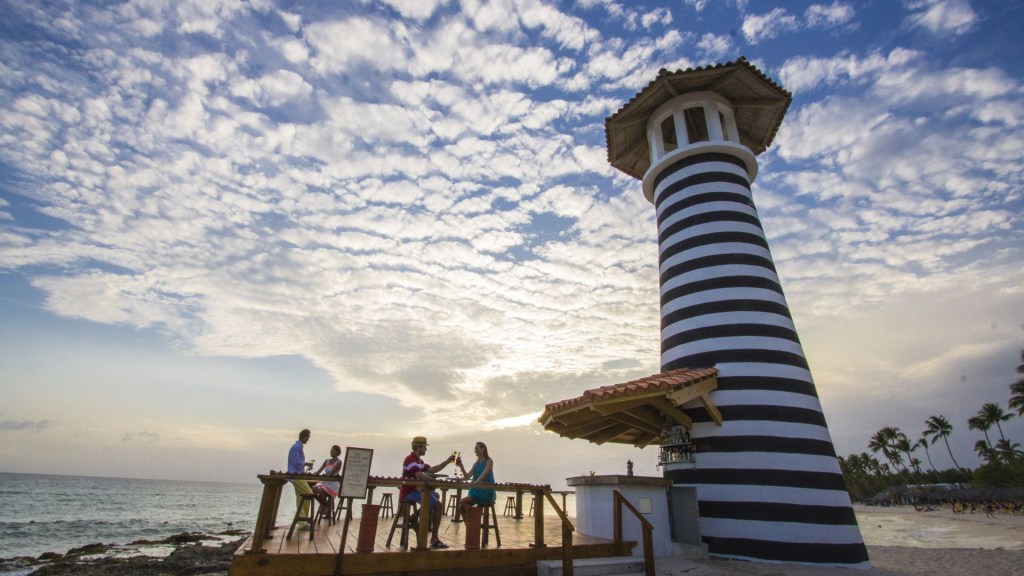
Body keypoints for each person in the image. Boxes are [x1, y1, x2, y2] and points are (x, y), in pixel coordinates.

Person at [400, 436, 455, 549]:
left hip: (416, 491)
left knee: (436, 495)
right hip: (409, 493)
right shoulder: (409, 459)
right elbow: (419, 475)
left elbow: (433, 470)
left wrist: (448, 461)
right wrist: (434, 481)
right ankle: (434, 538)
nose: (426, 449)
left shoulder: (419, 461)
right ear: (419, 447)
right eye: (425, 447)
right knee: (438, 505)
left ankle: (414, 516)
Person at [457, 441, 495, 518]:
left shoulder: (489, 461)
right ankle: (470, 526)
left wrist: (476, 482)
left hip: (486, 491)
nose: (475, 451)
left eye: (477, 449)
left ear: (483, 449)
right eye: (475, 449)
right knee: (460, 507)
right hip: (476, 491)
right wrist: (461, 466)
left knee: (462, 501)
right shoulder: (476, 464)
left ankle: (474, 521)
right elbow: (467, 476)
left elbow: (483, 475)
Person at [288, 429, 315, 529]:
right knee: (308, 494)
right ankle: (302, 521)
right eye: (308, 437)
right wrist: (306, 463)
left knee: (300, 497)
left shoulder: (298, 447)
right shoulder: (297, 447)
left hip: (298, 475)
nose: (308, 439)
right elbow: (296, 462)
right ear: (304, 436)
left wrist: (305, 465)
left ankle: (302, 522)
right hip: (296, 475)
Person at [312, 445, 342, 510]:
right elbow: (318, 471)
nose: (331, 452)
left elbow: (331, 473)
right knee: (313, 489)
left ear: (337, 452)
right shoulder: (327, 461)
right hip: (325, 484)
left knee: (320, 491)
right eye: (331, 450)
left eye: (333, 451)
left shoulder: (339, 462)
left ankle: (325, 506)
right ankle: (325, 505)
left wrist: (326, 475)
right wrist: (312, 474)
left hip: (333, 485)